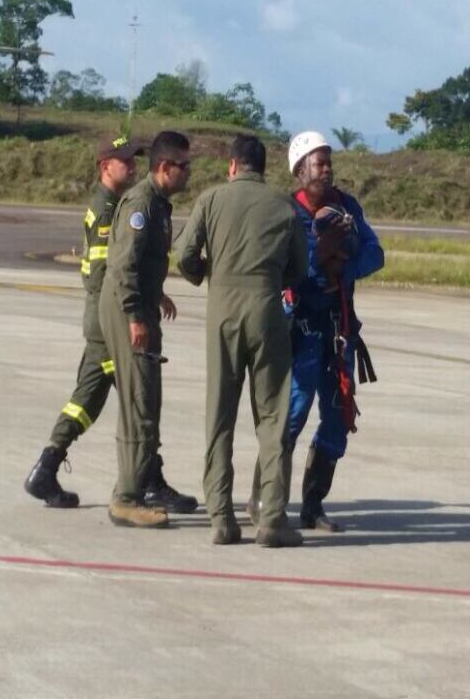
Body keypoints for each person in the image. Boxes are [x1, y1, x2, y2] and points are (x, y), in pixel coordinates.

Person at [176, 135, 308, 548]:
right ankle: (271, 517)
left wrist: (206, 275)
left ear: (232, 165)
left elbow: (184, 255)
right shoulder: (284, 205)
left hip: (223, 310)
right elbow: (300, 269)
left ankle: (221, 518)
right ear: (262, 168)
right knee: (272, 417)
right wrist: (270, 281)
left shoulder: (211, 200)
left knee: (220, 413)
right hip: (267, 309)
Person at [266, 130, 383, 533]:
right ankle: (269, 498)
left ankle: (313, 504)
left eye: (330, 161)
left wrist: (342, 269)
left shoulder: (347, 207)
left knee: (337, 418)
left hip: (339, 330)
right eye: (319, 162)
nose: (328, 168)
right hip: (301, 331)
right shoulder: (285, 212)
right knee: (293, 414)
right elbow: (281, 265)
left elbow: (375, 253)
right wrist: (319, 261)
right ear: (300, 170)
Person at [23, 135, 147, 508]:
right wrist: (123, 312)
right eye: (125, 160)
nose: (133, 166)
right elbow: (100, 272)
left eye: (134, 159)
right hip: (107, 320)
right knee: (137, 396)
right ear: (104, 166)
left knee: (88, 400)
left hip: (101, 318)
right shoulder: (108, 209)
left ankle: (46, 468)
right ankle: (149, 477)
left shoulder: (112, 203)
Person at [98, 130, 198, 528]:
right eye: (184, 166)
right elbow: (122, 265)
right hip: (126, 308)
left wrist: (157, 295)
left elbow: (143, 262)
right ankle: (127, 497)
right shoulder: (142, 203)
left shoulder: (160, 203)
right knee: (140, 403)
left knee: (148, 400)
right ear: (164, 167)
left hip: (138, 301)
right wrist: (136, 316)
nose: (189, 173)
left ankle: (141, 485)